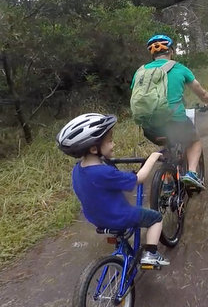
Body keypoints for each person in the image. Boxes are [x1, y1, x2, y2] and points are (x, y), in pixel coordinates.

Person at [56, 112, 169, 267]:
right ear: (94, 149)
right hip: (119, 217)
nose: (113, 144)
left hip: (97, 219)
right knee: (155, 218)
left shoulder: (77, 170)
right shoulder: (105, 173)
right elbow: (139, 178)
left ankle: (125, 253)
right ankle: (151, 253)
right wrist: (153, 157)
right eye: (109, 141)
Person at [131, 34, 208, 191]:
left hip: (149, 126)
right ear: (171, 51)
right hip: (175, 121)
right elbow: (202, 93)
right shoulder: (179, 68)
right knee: (194, 141)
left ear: (152, 54)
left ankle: (168, 181)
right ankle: (191, 173)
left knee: (168, 144)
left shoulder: (140, 72)